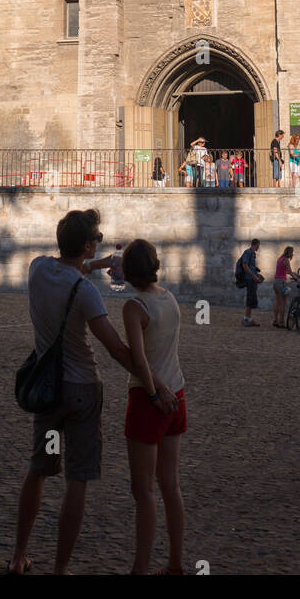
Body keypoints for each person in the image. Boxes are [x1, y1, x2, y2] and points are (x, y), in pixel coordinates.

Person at [8, 208, 176, 576]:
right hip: (81, 393)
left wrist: (98, 263)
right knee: (77, 479)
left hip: (48, 393)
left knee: (38, 470)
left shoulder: (37, 269)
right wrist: (157, 385)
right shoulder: (85, 294)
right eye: (95, 240)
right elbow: (117, 350)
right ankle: (61, 568)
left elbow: (69, 268)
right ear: (86, 245)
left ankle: (19, 555)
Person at [121, 239, 187, 576]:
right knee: (170, 484)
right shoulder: (170, 298)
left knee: (143, 489)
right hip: (177, 393)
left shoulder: (134, 307)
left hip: (149, 400)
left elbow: (139, 360)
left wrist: (151, 394)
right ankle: (175, 562)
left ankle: (140, 568)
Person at [238, 238, 264, 327]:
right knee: (250, 298)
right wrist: (254, 276)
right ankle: (246, 319)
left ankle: (248, 318)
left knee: (251, 298)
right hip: (250, 279)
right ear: (256, 244)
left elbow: (250, 266)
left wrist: (257, 274)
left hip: (252, 279)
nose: (259, 247)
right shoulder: (248, 252)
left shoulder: (252, 253)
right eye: (258, 245)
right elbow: (245, 266)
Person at [273, 246, 296, 328]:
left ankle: (275, 320)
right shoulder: (286, 260)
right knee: (283, 303)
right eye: (292, 252)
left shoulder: (280, 259)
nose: (292, 254)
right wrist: (296, 278)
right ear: (289, 252)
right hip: (281, 282)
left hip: (276, 282)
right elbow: (289, 271)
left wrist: (294, 274)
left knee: (277, 302)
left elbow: (283, 271)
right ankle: (281, 322)